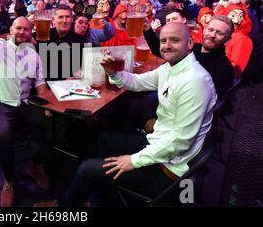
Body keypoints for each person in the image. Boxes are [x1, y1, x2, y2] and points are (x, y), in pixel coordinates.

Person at [36, 22, 217, 207]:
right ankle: (97, 198)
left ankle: (65, 207)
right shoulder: (171, 67)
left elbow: (180, 142)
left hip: (169, 170)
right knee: (104, 139)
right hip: (160, 143)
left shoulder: (194, 81)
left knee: (85, 169)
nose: (167, 45)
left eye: (175, 40)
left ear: (190, 43)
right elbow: (138, 82)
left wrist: (133, 160)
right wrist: (113, 72)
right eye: (163, 41)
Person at [0, 17, 53, 207]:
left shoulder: (34, 55)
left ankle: (35, 164)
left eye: (26, 29)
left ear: (30, 32)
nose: (22, 32)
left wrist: (50, 108)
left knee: (55, 124)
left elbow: (41, 87)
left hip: (25, 104)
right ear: (11, 29)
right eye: (18, 28)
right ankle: (10, 181)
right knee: (3, 134)